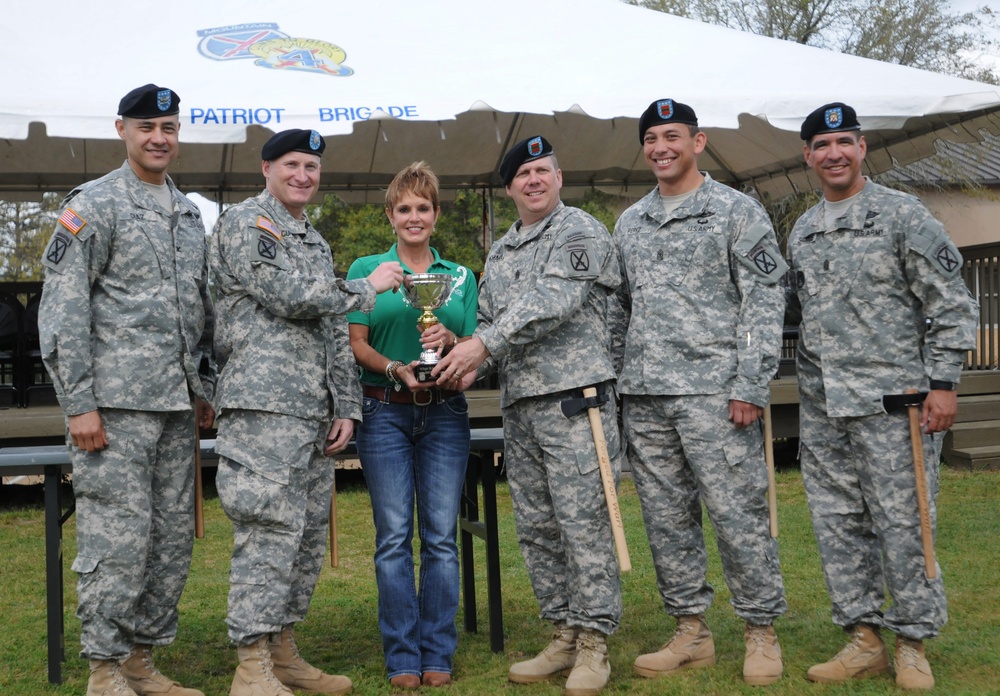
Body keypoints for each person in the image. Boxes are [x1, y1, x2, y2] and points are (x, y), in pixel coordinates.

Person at [787, 103, 978, 691]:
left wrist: (943, 384)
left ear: (862, 147)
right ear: (808, 156)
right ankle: (863, 639)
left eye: (844, 142)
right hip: (826, 411)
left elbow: (951, 303)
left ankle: (913, 641)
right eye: (822, 145)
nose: (834, 154)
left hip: (896, 408)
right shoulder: (804, 229)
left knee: (907, 523)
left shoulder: (902, 216)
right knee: (839, 525)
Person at [209, 128, 403, 696]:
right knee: (268, 531)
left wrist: (345, 403)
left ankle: (283, 649)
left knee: (304, 536)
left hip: (311, 412)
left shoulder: (311, 240)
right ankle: (251, 664)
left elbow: (330, 329)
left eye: (312, 167)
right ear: (266, 168)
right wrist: (364, 288)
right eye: (291, 164)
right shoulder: (249, 223)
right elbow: (286, 295)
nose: (303, 175)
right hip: (262, 406)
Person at [38, 84, 214, 696]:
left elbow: (199, 309)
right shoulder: (93, 205)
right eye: (146, 127)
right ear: (121, 130)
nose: (159, 137)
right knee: (116, 538)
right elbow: (63, 311)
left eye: (168, 126)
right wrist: (79, 403)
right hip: (112, 408)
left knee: (168, 543)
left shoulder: (188, 213)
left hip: (174, 407)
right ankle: (104, 670)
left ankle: (142, 659)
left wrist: (205, 387)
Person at [434, 135, 623, 696]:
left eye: (543, 171)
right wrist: (461, 352)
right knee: (538, 528)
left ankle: (594, 644)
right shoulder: (503, 249)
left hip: (575, 401)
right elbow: (489, 319)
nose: (534, 181)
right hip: (520, 406)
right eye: (523, 174)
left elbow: (553, 302)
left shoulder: (578, 230)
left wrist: (482, 345)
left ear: (559, 178)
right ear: (510, 186)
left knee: (583, 525)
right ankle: (563, 630)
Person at [609, 99, 789, 687]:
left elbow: (765, 300)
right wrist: (615, 382)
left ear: (698, 142)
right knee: (666, 519)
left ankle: (761, 630)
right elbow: (618, 308)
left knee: (737, 514)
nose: (662, 147)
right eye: (652, 139)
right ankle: (691, 631)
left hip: (716, 394)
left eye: (673, 136)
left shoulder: (738, 212)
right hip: (647, 396)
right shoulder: (630, 221)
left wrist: (751, 385)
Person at [345, 162, 479, 689]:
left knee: (442, 539)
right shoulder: (368, 268)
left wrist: (448, 342)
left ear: (436, 214)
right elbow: (355, 344)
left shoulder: (461, 276)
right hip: (384, 411)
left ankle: (438, 652)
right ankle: (402, 654)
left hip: (445, 412)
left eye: (424, 207)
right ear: (390, 215)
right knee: (394, 538)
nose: (415, 216)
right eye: (405, 208)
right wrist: (396, 368)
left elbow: (472, 349)